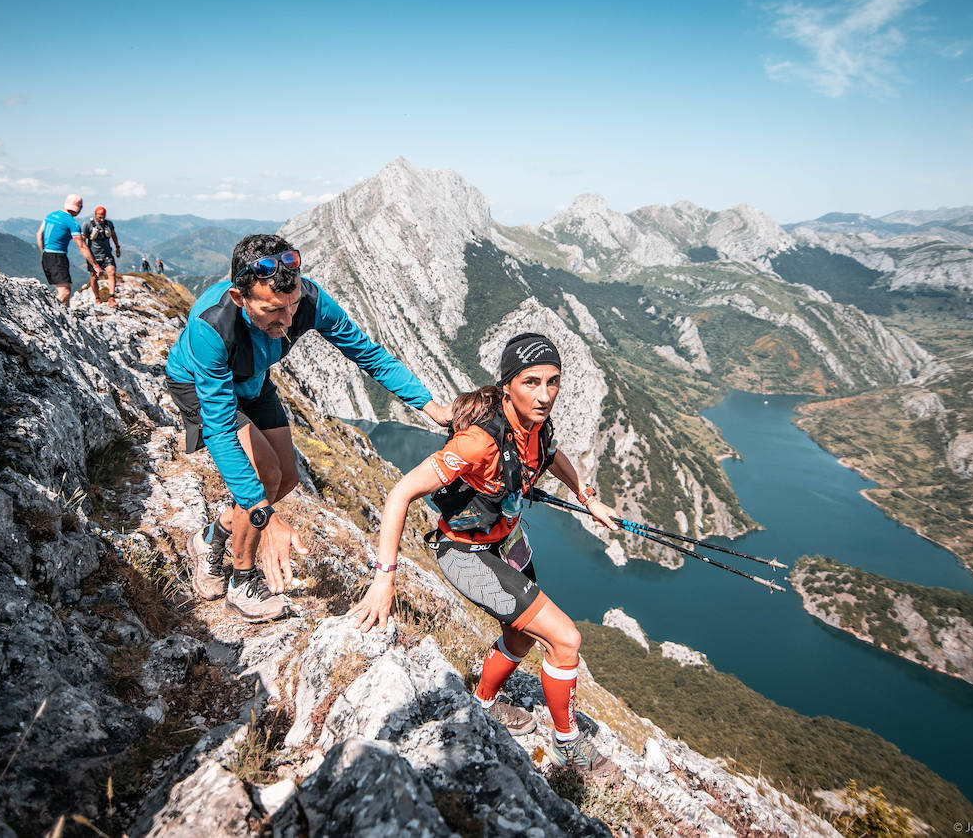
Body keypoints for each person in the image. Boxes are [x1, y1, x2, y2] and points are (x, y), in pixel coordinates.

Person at [348, 333, 620, 777]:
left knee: (522, 635)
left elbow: (552, 456)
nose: (545, 395)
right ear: (507, 385)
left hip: (507, 542)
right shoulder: (477, 442)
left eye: (553, 382)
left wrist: (587, 498)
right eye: (531, 382)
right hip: (466, 552)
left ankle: (484, 703)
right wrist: (384, 578)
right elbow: (401, 493)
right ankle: (567, 746)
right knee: (566, 639)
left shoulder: (536, 425)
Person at [166, 234, 452, 622]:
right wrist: (265, 517)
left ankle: (211, 538)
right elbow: (219, 430)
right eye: (273, 310)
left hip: (253, 379)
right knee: (264, 475)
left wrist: (429, 405)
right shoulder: (211, 326)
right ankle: (242, 581)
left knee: (286, 478)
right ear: (239, 297)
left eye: (293, 305)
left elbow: (368, 354)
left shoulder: (311, 301)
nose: (287, 321)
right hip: (201, 386)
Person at [36, 194, 100, 308]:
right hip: (58, 257)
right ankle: (53, 313)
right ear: (79, 207)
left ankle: (65, 317)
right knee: (65, 292)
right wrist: (95, 265)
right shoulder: (72, 223)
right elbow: (82, 246)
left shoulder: (51, 215)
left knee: (63, 291)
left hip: (47, 255)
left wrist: (43, 253)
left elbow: (39, 234)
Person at [82, 205, 122, 308]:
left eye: (103, 217)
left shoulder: (108, 224)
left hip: (107, 254)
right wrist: (86, 254)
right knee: (94, 276)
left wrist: (117, 247)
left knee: (111, 272)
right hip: (93, 256)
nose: (102, 219)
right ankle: (97, 298)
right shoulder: (87, 225)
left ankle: (111, 297)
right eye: (100, 217)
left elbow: (113, 235)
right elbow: (82, 240)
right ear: (95, 215)